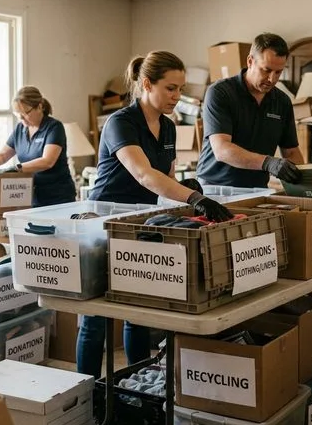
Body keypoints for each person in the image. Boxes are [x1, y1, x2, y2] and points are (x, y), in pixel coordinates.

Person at [78, 50, 233, 379]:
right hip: (105, 221)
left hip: (141, 222)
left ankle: (137, 382)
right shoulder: (121, 123)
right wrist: (194, 197)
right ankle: (85, 396)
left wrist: (184, 186)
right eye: (171, 88)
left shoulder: (168, 127)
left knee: (139, 311)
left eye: (181, 89)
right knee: (96, 318)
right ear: (147, 84)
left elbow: (165, 177)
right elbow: (144, 175)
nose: (177, 97)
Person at [197, 33, 305, 188]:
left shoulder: (282, 101)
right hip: (215, 188)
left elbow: (291, 152)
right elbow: (221, 149)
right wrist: (268, 163)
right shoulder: (220, 92)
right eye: (266, 70)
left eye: (278, 72)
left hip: (258, 189)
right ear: (250, 61)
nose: (272, 79)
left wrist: (306, 184)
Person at [0, 86, 76, 207]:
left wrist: (17, 168)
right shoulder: (20, 129)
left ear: (39, 106)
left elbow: (47, 161)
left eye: (25, 114)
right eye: (18, 115)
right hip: (32, 196)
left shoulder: (54, 127)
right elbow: (3, 155)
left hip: (58, 197)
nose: (22, 119)